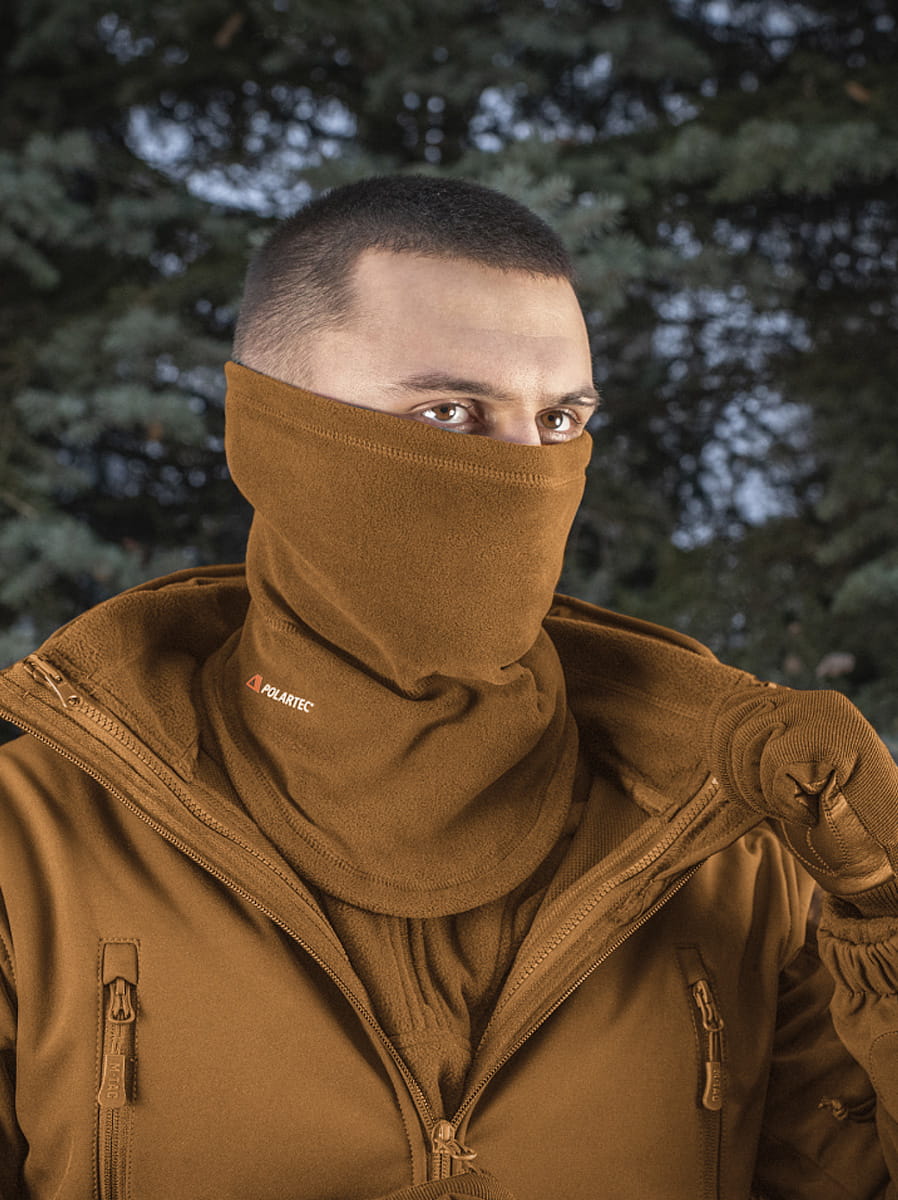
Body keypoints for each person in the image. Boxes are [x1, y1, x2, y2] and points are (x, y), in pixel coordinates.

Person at [0, 174, 896, 1200]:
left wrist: (887, 919)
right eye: (451, 412)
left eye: (558, 420)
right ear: (269, 430)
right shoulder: (30, 849)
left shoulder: (732, 847)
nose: (525, 471)